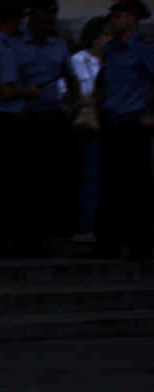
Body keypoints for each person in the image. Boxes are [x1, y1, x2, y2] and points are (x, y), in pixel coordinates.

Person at [0, 0, 42, 258]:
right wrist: (30, 91)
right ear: (17, 18)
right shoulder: (2, 49)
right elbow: (7, 89)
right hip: (5, 121)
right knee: (6, 183)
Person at [88, 0, 154, 261]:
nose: (113, 20)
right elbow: (103, 82)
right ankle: (108, 243)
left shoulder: (143, 51)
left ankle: (140, 245)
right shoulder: (112, 50)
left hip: (132, 124)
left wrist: (151, 115)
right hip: (112, 123)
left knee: (137, 188)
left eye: (119, 15)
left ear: (133, 18)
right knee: (109, 186)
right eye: (112, 15)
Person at [15, 0, 80, 255]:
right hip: (24, 118)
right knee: (23, 180)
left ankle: (39, 236)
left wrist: (73, 108)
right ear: (31, 16)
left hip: (52, 118)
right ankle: (22, 237)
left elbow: (71, 76)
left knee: (46, 181)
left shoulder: (59, 45)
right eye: (43, 21)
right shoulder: (16, 44)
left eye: (51, 22)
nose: (47, 26)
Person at [68, 16, 111, 242]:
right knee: (89, 175)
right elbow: (64, 90)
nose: (110, 39)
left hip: (111, 122)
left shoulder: (114, 60)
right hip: (89, 125)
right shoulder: (78, 60)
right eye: (106, 35)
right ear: (96, 38)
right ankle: (85, 226)